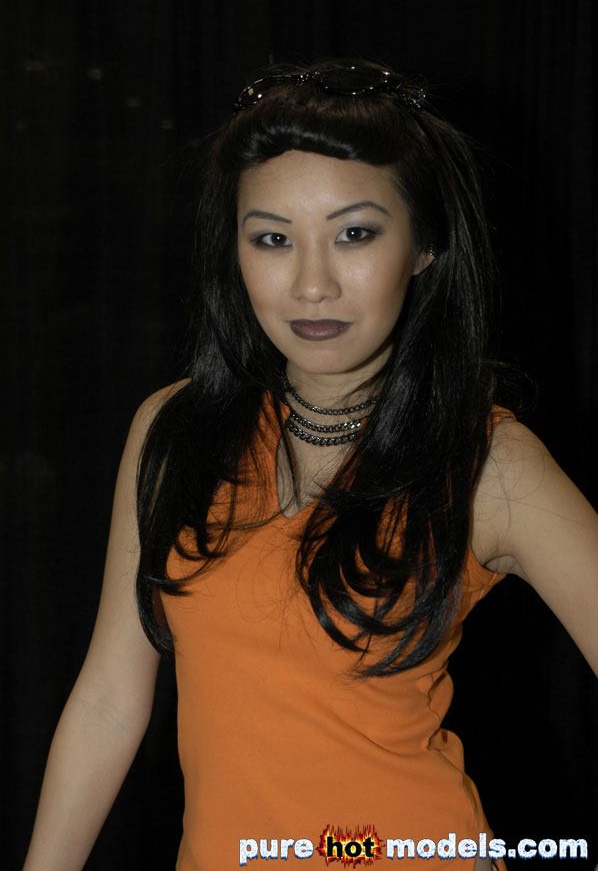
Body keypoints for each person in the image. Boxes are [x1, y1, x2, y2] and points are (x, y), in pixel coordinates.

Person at [24, 58, 598, 871]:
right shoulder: (175, 430)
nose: (311, 284)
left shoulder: (488, 461)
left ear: (424, 245)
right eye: (273, 239)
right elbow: (109, 702)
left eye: (355, 234)